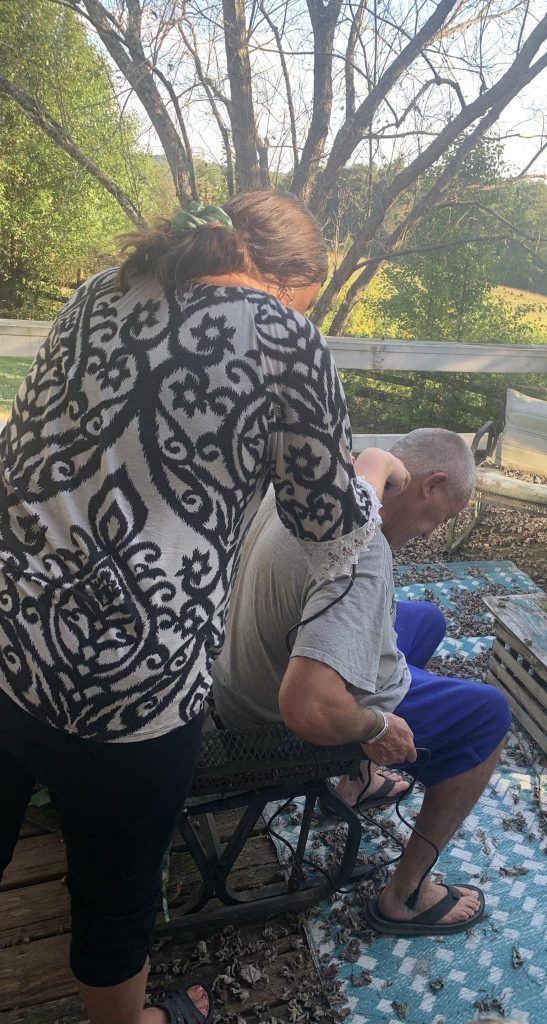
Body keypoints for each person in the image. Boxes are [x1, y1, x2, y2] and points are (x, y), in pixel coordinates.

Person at [0, 192, 398, 1024]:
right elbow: (325, 529)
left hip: (12, 628)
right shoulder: (283, 334)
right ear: (291, 282)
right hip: (133, 680)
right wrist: (370, 471)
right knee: (115, 889)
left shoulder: (99, 293)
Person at [211, 428, 512, 937]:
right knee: (490, 714)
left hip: (239, 677)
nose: (431, 532)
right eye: (440, 517)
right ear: (430, 484)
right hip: (265, 724)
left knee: (427, 620)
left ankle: (355, 781)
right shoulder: (358, 548)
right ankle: (406, 896)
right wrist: (375, 727)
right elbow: (307, 708)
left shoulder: (306, 488)